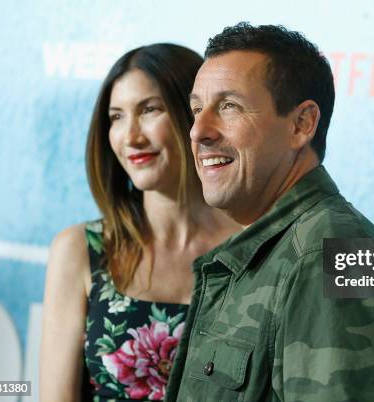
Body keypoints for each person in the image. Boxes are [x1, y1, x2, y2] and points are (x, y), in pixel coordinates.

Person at [165, 23, 374, 402]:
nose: (198, 131)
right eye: (197, 109)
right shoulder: (284, 246)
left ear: (301, 125)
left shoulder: (327, 254)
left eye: (229, 106)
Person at [39, 43, 240, 401]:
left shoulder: (258, 247)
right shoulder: (80, 250)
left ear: (195, 116)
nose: (130, 137)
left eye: (150, 110)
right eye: (116, 117)